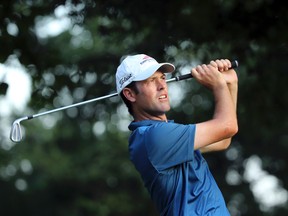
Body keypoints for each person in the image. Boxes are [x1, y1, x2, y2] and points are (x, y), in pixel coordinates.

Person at [115, 54, 238, 215]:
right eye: (151, 80)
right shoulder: (153, 137)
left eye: (162, 77)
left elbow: (223, 139)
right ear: (130, 94)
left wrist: (231, 83)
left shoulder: (166, 133)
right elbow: (227, 127)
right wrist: (219, 85)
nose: (162, 85)